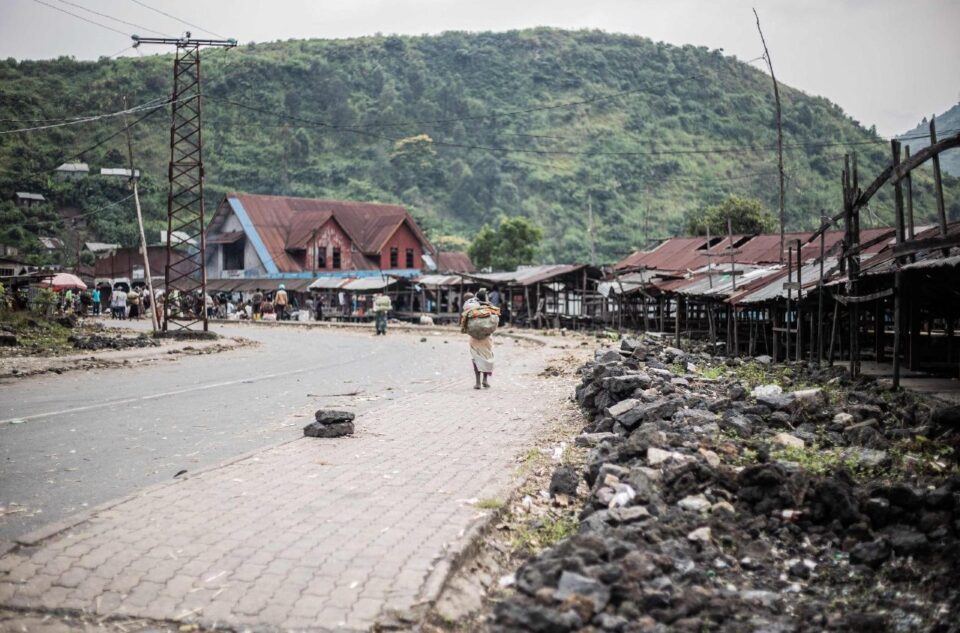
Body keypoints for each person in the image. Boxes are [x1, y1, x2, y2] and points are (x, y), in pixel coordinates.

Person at [460, 288, 499, 390]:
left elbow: (464, 320)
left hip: (474, 338)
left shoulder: (470, 307)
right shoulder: (489, 306)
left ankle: (478, 383)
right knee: (486, 358)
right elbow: (495, 319)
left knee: (476, 359)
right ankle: (485, 381)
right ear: (485, 297)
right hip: (487, 338)